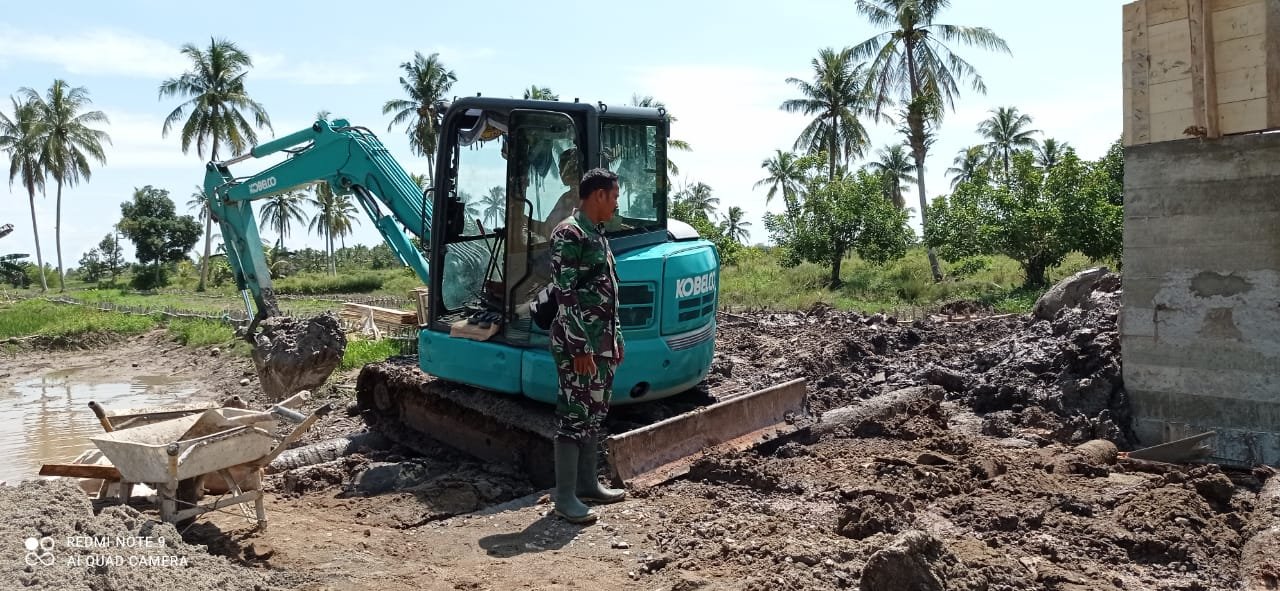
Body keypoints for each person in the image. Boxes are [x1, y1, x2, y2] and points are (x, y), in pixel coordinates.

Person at [547, 167, 627, 524]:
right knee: (574, 416)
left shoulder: (597, 234)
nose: (616, 203)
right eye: (613, 196)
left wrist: (617, 337)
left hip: (601, 344)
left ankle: (587, 484)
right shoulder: (569, 234)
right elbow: (566, 296)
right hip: (578, 345)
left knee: (595, 413)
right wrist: (580, 347)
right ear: (598, 195)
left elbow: (607, 292)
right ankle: (565, 498)